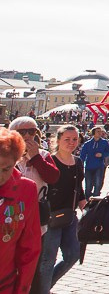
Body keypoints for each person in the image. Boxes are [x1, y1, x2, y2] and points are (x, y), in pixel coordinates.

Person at [9, 117, 59, 294]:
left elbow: (53, 177)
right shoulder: (6, 154)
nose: (28, 136)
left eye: (32, 131)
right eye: (22, 132)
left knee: (32, 263)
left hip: (35, 218)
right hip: (9, 215)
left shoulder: (43, 155)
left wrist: (36, 157)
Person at [36, 126, 86, 294]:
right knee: (48, 260)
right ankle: (42, 291)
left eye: (75, 139)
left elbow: (79, 190)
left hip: (70, 216)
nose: (71, 142)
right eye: (67, 139)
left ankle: (44, 287)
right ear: (58, 140)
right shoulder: (50, 160)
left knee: (73, 255)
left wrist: (86, 210)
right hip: (50, 217)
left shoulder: (78, 162)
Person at [0, 127, 42, 294]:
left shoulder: (26, 189)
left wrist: (22, 287)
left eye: (6, 169)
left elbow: (30, 245)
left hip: (5, 283)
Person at [79, 127, 109, 198]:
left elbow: (108, 152)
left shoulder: (104, 142)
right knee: (88, 184)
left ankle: (96, 199)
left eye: (100, 131)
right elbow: (82, 155)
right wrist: (80, 165)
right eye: (98, 131)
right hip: (89, 166)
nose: (100, 133)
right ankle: (87, 198)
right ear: (93, 133)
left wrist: (102, 155)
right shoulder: (87, 143)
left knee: (98, 183)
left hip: (99, 166)